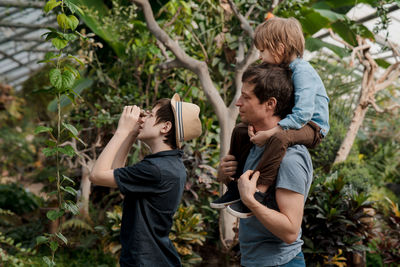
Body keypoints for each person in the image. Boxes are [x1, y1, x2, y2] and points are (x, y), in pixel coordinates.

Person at [211, 16, 329, 217]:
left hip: (312, 126)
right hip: (296, 120)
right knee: (240, 130)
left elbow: (303, 113)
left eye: (262, 51)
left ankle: (258, 192)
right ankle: (235, 187)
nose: (260, 56)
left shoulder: (302, 71)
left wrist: (272, 131)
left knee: (279, 138)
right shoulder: (285, 69)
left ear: (280, 49)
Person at [89, 94, 202, 267]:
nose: (143, 119)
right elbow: (115, 173)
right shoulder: (168, 164)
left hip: (145, 261)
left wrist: (122, 131)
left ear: (165, 127)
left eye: (150, 115)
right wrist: (131, 134)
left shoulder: (156, 169)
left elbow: (97, 175)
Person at [218, 63, 313, 266]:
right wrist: (226, 176)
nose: (238, 103)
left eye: (246, 97)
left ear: (270, 104)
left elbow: (290, 231)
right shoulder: (254, 145)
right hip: (253, 260)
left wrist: (251, 201)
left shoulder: (290, 159)